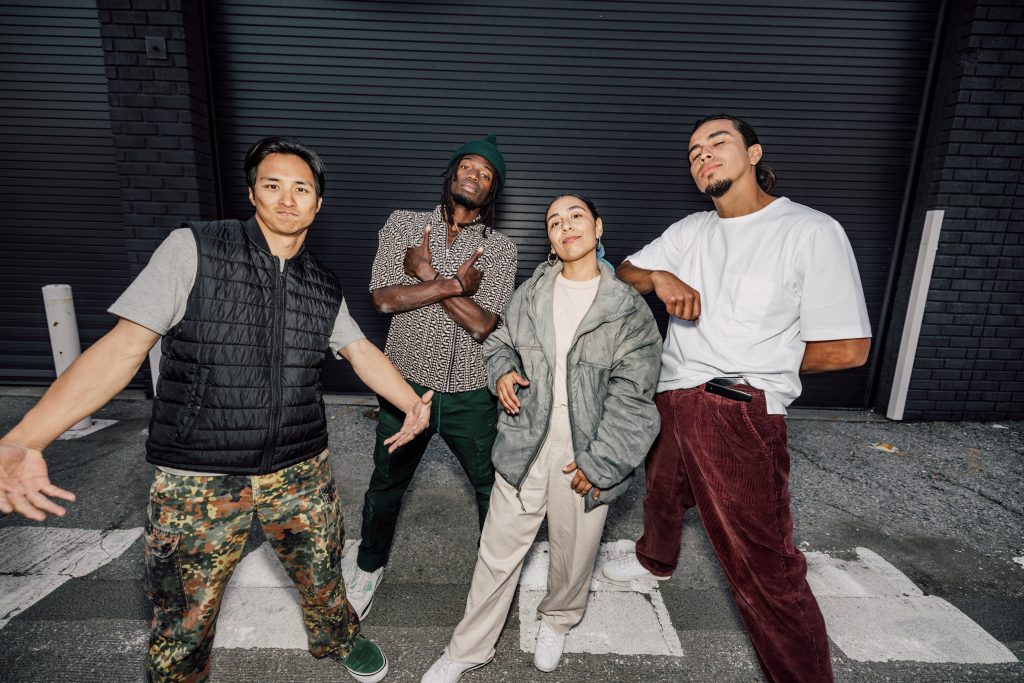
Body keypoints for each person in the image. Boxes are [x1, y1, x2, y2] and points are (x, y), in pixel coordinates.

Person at [0, 136, 434, 683]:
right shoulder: (195, 248)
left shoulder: (322, 283)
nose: (287, 198)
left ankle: (340, 636)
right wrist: (27, 437)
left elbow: (359, 350)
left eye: (301, 189)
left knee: (322, 574)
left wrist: (410, 406)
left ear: (317, 204)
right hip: (198, 478)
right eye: (272, 185)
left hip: (299, 470)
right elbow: (122, 347)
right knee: (184, 612)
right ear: (251, 193)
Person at [602, 115, 872, 682]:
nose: (702, 155)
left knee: (763, 568)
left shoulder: (808, 230)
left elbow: (847, 349)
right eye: (694, 150)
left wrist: (756, 364)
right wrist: (661, 280)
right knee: (663, 489)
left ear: (753, 153)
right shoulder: (692, 230)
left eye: (716, 143)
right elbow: (625, 271)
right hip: (674, 394)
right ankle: (656, 561)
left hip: (734, 408)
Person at [421, 194, 662, 682]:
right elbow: (498, 342)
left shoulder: (628, 311)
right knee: (497, 549)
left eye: (575, 217)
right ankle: (468, 648)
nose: (565, 226)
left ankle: (558, 619)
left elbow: (634, 399)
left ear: (597, 227)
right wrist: (504, 371)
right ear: (550, 239)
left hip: (586, 452)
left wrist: (603, 464)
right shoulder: (532, 292)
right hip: (523, 442)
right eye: (554, 221)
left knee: (575, 551)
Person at [348, 135, 518, 620]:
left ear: (492, 192)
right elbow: (382, 299)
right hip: (405, 388)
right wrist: (450, 285)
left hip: (471, 393)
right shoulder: (403, 224)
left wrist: (421, 278)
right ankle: (368, 566)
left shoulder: (500, 250)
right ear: (451, 173)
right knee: (386, 483)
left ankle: (494, 581)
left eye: (487, 175)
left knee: (491, 488)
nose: (475, 176)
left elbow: (485, 323)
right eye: (468, 166)